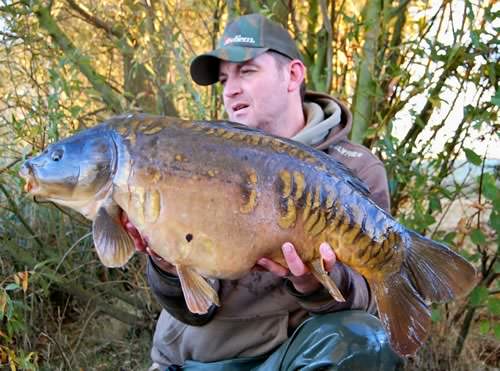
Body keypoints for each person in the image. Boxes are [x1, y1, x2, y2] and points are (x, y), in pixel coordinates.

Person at [122, 13, 403, 370]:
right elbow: (191, 309)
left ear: (293, 74)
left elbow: (370, 300)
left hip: (293, 355)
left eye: (247, 71)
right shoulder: (197, 159)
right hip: (197, 357)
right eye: (224, 79)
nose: (230, 89)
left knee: (366, 341)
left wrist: (315, 281)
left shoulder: (356, 170)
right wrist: (165, 262)